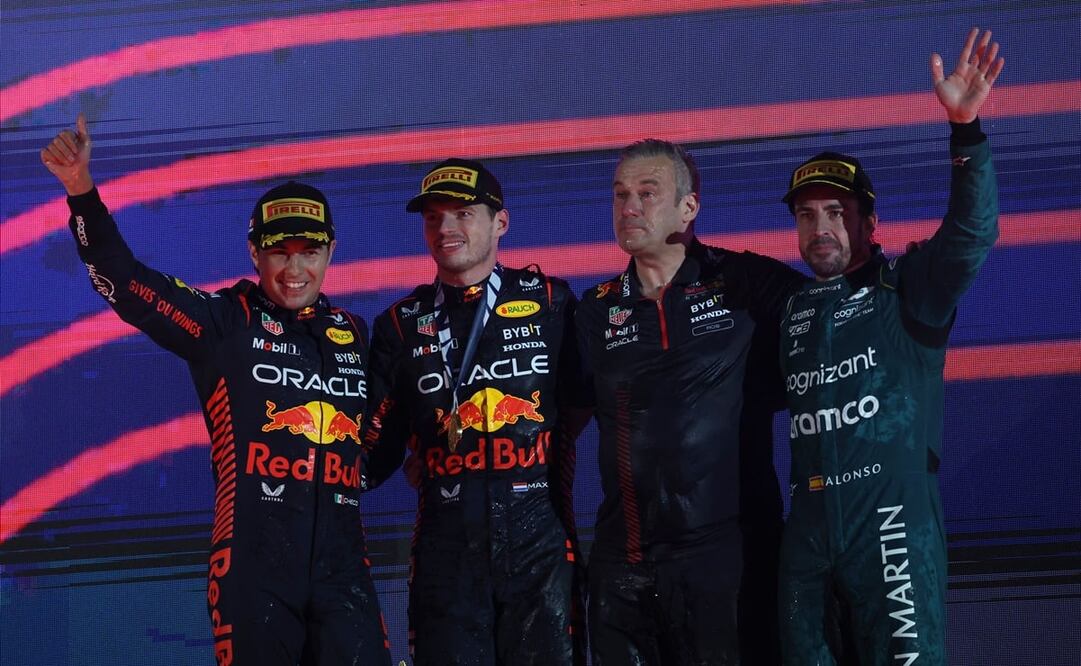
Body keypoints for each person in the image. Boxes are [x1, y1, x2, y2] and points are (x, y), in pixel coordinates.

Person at [41, 115, 391, 666]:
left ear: (331, 251)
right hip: (253, 567)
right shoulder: (223, 322)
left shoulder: (354, 332)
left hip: (344, 570)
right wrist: (81, 192)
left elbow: (374, 437)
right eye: (280, 251)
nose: (294, 268)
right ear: (255, 253)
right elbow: (125, 283)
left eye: (309, 251)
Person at [776, 27, 1004, 665]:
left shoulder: (910, 289)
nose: (821, 229)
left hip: (893, 532)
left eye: (837, 212)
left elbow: (971, 233)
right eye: (806, 214)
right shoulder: (789, 306)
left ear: (870, 222)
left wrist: (966, 131)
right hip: (808, 533)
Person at [575, 138, 806, 664]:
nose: (629, 206)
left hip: (729, 561)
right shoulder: (592, 313)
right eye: (620, 194)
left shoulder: (748, 283)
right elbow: (561, 422)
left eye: (647, 193)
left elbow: (839, 316)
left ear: (689, 207)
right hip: (624, 565)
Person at [360, 158, 588, 665]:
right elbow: (375, 451)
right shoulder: (400, 324)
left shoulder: (552, 301)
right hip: (446, 548)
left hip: (540, 543)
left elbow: (585, 401)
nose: (446, 229)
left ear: (500, 222)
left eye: (463, 213)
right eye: (433, 217)